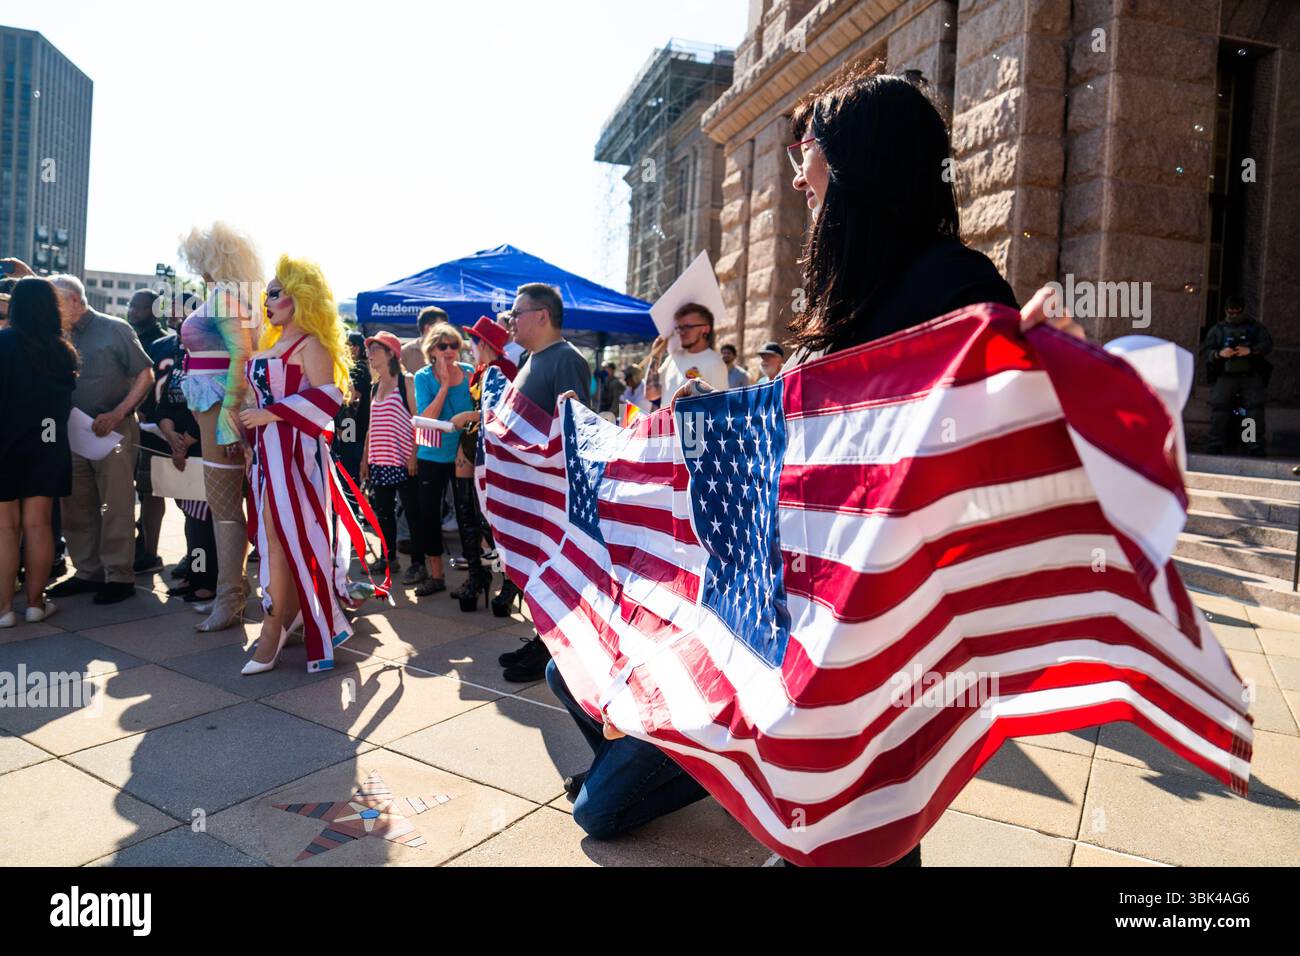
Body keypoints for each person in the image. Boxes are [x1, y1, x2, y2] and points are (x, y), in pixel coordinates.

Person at [547, 63, 1082, 863]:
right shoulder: (851, 293)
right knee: (576, 669)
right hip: (792, 617)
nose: (798, 171)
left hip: (868, 636)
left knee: (852, 827)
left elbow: (999, 436)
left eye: (812, 150)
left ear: (860, 160)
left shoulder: (954, 283)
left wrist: (1037, 359)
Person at [238, 255, 375, 674]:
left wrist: (271, 414)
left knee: (287, 537)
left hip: (296, 455)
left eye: (276, 293)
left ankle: (273, 629)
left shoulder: (310, 344)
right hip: (268, 454)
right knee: (274, 540)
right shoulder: (272, 343)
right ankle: (285, 618)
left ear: (301, 297)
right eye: (267, 292)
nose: (268, 299)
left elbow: (330, 397)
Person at [496, 282, 593, 681]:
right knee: (537, 569)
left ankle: (551, 651)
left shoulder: (565, 360)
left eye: (516, 314)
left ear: (541, 315)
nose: (510, 322)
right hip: (531, 495)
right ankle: (542, 641)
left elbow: (575, 428)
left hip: (553, 495)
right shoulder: (531, 359)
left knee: (553, 570)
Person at [44, 273, 153, 606]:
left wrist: (118, 413)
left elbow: (145, 375)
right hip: (72, 432)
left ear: (75, 300)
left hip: (113, 431)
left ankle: (119, 576)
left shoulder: (115, 329)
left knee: (116, 504)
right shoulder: (57, 333)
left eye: (56, 302)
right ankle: (87, 572)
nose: (52, 309)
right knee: (75, 505)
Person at [177, 222, 262, 631]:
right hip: (213, 407)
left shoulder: (227, 297)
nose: (195, 267)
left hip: (221, 408)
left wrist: (227, 421)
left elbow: (241, 357)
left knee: (225, 506)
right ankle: (233, 592)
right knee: (225, 505)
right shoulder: (230, 295)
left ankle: (230, 597)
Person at [0, 277, 79, 627]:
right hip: (46, 446)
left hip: (4, 444)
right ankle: (35, 604)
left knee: (4, 529)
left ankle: (3, 611)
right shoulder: (62, 351)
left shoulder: (2, 343)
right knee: (39, 525)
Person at [444, 315, 517, 610]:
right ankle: (477, 577)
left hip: (494, 448)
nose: (469, 346)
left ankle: (508, 583)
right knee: (466, 512)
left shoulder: (505, 369)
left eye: (473, 341)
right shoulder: (482, 369)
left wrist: (467, 417)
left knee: (494, 519)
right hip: (472, 443)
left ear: (483, 343)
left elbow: (503, 412)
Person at [155, 298, 217, 606]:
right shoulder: (181, 358)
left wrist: (188, 441)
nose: (179, 325)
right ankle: (195, 576)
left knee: (204, 522)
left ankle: (207, 583)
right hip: (179, 448)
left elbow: (209, 404)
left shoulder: (212, 356)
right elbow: (165, 404)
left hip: (202, 449)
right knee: (191, 520)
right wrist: (171, 436)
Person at [411, 321, 476, 597]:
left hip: (463, 454)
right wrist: (444, 385)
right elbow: (427, 420)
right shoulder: (423, 377)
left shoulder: (472, 373)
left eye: (454, 345)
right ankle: (436, 575)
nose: (449, 350)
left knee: (467, 513)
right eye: (442, 345)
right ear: (432, 350)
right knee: (428, 514)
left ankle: (475, 574)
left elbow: (477, 412)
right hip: (431, 454)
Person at [360, 331, 423, 586]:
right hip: (380, 460)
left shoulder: (405, 381)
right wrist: (366, 459)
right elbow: (370, 426)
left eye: (375, 349)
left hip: (403, 460)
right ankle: (389, 559)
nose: (370, 354)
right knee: (383, 514)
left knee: (412, 514)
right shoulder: (375, 387)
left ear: (390, 354)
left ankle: (419, 564)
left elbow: (418, 422)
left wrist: (414, 455)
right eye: (369, 350)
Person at [128, 288, 176, 575]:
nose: (132, 310)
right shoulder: (127, 335)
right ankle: (138, 542)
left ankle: (149, 550)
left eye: (139, 307)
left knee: (151, 490)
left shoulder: (161, 344)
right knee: (137, 488)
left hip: (154, 428)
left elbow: (163, 385)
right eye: (131, 305)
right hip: (128, 425)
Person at [1201, 295, 1272, 457]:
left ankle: (1253, 445)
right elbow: (1207, 351)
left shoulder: (1255, 328)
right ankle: (1215, 444)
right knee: (1219, 409)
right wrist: (1220, 354)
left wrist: (1251, 350)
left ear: (1243, 310)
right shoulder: (1218, 330)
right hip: (1226, 375)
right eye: (1230, 313)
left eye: (1237, 312)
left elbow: (1267, 344)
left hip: (1250, 374)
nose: (1233, 316)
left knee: (1253, 411)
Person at [643, 303, 730, 408]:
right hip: (666, 423)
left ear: (705, 329)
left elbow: (720, 407)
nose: (682, 332)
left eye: (688, 327)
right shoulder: (673, 358)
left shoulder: (715, 363)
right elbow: (651, 395)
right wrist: (656, 355)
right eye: (679, 327)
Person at [334, 330, 371, 505]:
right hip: (356, 433)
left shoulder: (357, 370)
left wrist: (344, 431)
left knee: (349, 478)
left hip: (353, 435)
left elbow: (352, 402)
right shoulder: (363, 368)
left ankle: (353, 515)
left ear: (354, 349)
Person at [402, 306, 447, 374]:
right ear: (428, 327)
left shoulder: (450, 349)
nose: (446, 330)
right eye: (441, 326)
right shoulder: (406, 351)